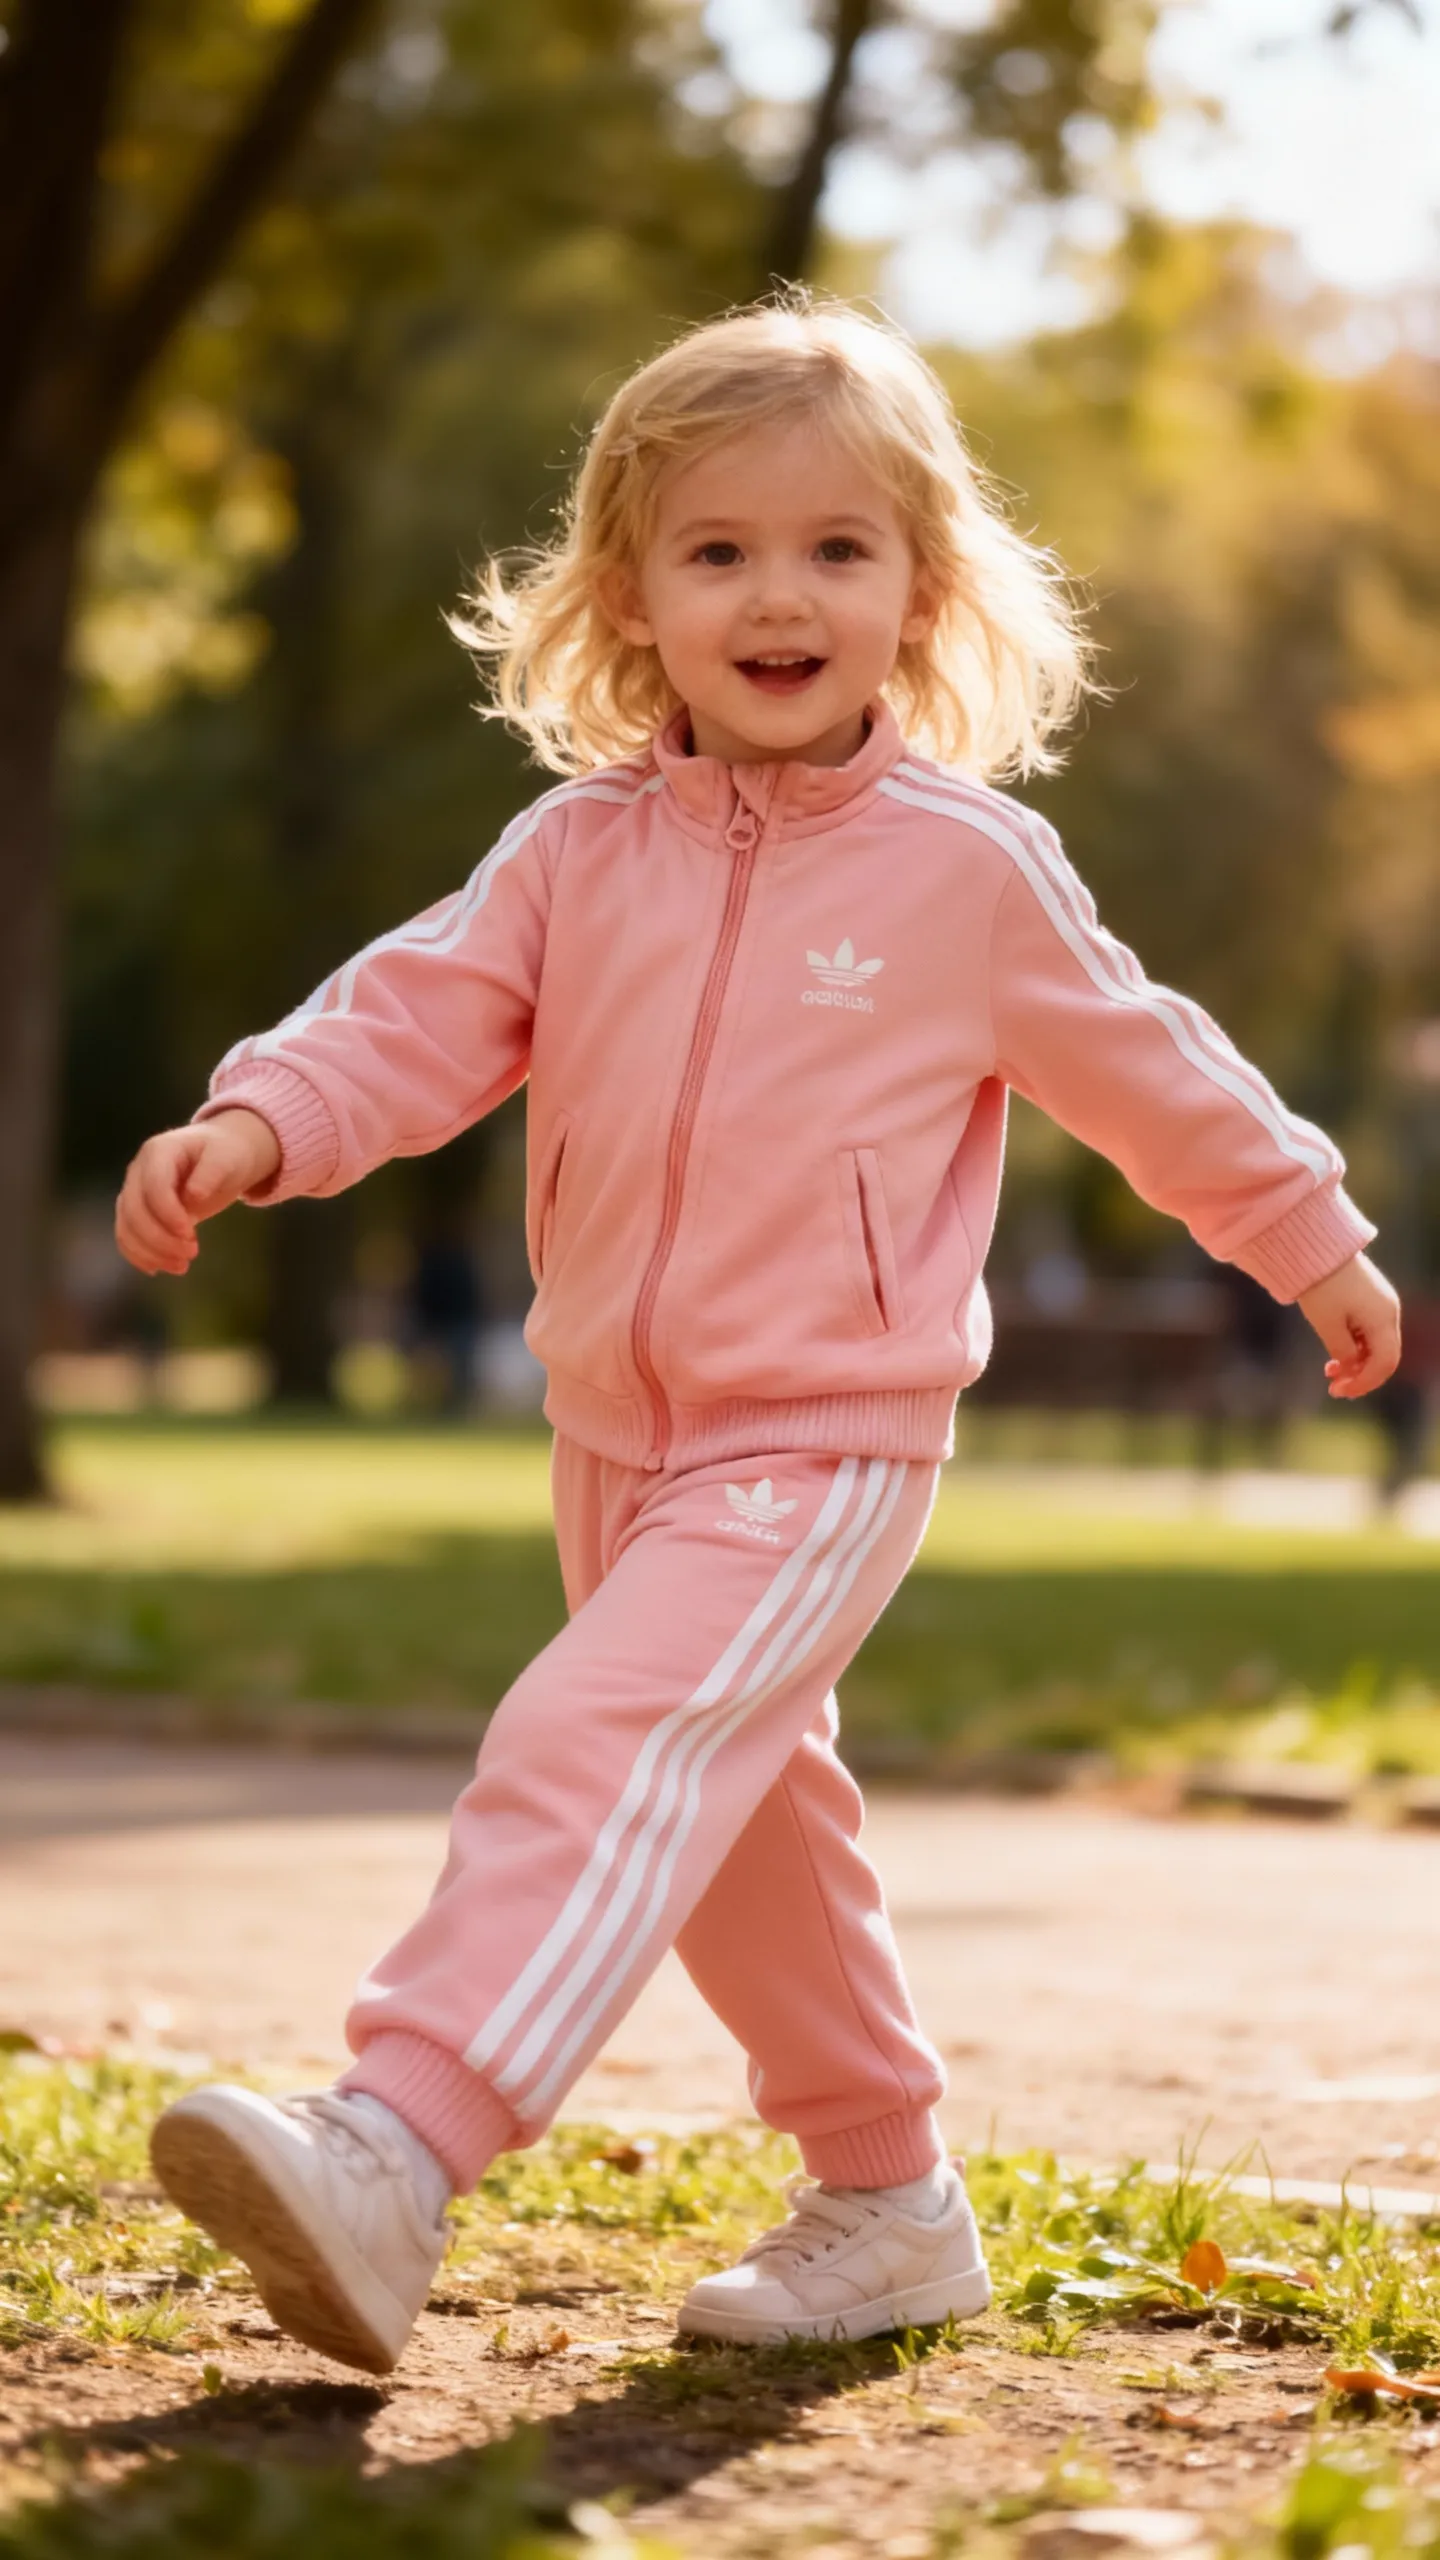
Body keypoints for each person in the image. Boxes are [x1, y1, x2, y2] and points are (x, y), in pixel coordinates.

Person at [114, 295, 1401, 2377]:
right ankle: (890, 2199)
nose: (779, 592)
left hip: (826, 1430)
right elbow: (419, 1009)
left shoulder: (969, 867)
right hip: (617, 1432)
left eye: (836, 548)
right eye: (718, 550)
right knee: (742, 1822)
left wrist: (1306, 1231)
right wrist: (267, 1117)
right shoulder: (573, 851)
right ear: (630, 594)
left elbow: (1157, 1069)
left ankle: (399, 2138)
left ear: (920, 586)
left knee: (598, 1738)